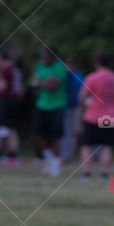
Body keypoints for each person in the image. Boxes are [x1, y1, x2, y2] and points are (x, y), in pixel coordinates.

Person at [79, 50, 114, 181]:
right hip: (110, 116)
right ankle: (104, 174)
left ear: (97, 62)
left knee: (87, 145)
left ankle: (86, 174)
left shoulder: (92, 77)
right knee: (106, 146)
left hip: (92, 116)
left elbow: (82, 97)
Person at [31, 48, 68, 177]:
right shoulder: (40, 65)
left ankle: (56, 165)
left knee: (55, 137)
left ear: (52, 57)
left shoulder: (59, 67)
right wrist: (44, 83)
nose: (43, 60)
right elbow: (33, 83)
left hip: (57, 106)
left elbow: (53, 86)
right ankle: (51, 160)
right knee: (37, 135)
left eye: (46, 57)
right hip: (42, 105)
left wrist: (40, 83)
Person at [61, 56, 84, 163]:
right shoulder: (65, 75)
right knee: (66, 132)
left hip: (77, 107)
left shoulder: (79, 75)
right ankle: (66, 155)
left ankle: (69, 155)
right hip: (65, 107)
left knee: (75, 132)